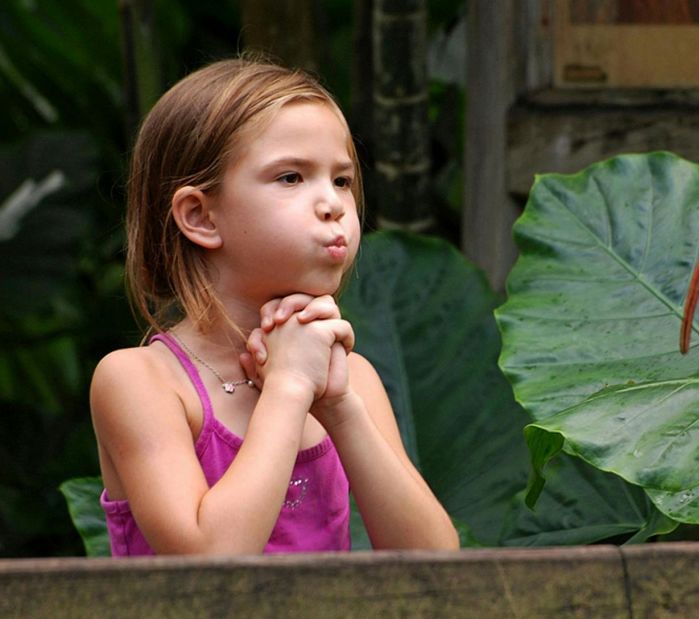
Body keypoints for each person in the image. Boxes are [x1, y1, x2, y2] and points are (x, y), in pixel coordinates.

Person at [91, 57, 460, 555]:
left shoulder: (353, 381)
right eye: (291, 177)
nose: (331, 203)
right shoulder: (142, 382)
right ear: (200, 217)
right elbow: (206, 564)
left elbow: (440, 567)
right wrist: (288, 387)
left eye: (342, 180)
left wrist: (341, 410)